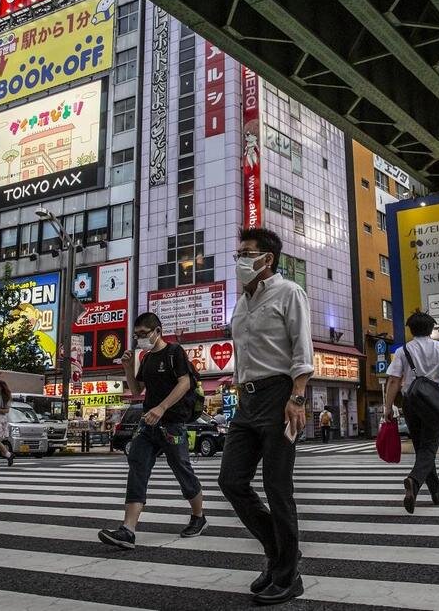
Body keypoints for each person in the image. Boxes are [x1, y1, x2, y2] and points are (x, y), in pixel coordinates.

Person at [217, 228, 313, 605]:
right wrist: (239, 384)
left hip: (280, 396)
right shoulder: (241, 302)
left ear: (266, 258)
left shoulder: (290, 292)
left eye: (246, 252)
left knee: (277, 486)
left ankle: (287, 575)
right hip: (247, 401)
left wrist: (298, 398)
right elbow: (243, 355)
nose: (239, 258)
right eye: (237, 252)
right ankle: (281, 554)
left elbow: (302, 351)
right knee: (231, 481)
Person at [98, 313, 207, 550]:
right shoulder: (146, 359)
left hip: (172, 424)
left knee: (181, 468)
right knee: (137, 466)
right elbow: (138, 390)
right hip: (148, 424)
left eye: (143, 334)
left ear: (158, 331)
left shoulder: (174, 352)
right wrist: (128, 367)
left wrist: (162, 407)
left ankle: (199, 516)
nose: (139, 339)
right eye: (136, 336)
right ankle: (128, 530)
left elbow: (185, 382)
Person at [384, 311, 439, 513]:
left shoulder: (403, 350)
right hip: (434, 403)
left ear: (411, 329)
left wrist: (387, 408)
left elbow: (393, 380)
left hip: (411, 402)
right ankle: (414, 481)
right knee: (429, 447)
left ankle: (435, 490)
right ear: (431, 328)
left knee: (422, 448)